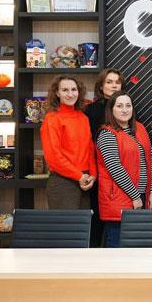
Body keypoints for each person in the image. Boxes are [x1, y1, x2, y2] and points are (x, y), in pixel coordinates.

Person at [95, 91, 152, 247]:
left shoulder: (140, 128)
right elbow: (115, 169)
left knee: (137, 246)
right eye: (119, 106)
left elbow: (151, 160)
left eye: (128, 106)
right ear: (111, 110)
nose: (124, 110)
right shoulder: (107, 134)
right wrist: (135, 196)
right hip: (120, 198)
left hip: (143, 195)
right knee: (117, 246)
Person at [41, 75, 96, 210]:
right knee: (67, 224)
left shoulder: (83, 118)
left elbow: (90, 149)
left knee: (83, 223)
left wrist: (93, 175)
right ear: (57, 93)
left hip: (84, 181)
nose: (70, 94)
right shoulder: (52, 119)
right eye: (65, 90)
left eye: (73, 89)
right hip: (63, 182)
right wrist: (79, 176)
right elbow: (54, 157)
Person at [83, 68, 125, 245]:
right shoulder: (91, 110)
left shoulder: (125, 107)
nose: (114, 85)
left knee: (118, 221)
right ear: (101, 86)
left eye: (117, 82)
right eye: (109, 82)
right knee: (98, 219)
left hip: (122, 172)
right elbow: (88, 144)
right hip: (99, 173)